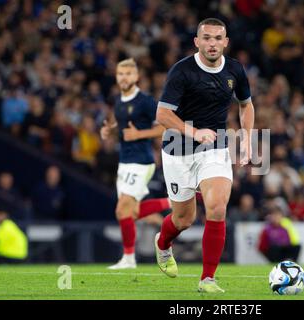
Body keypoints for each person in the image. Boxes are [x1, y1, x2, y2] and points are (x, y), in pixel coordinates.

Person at [154, 18, 255, 293]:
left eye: (217, 38)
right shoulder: (182, 71)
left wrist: (246, 137)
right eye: (207, 38)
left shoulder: (235, 70)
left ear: (226, 42)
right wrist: (194, 132)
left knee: (217, 207)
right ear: (197, 42)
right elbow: (162, 114)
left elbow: (246, 105)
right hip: (178, 150)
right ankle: (163, 244)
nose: (212, 43)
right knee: (183, 219)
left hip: (215, 148)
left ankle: (207, 279)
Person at [100, 58, 171, 270]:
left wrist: (139, 133)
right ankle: (172, 202)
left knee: (123, 209)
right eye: (120, 73)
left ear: (136, 77)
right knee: (127, 212)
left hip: (141, 162)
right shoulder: (119, 100)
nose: (124, 77)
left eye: (128, 74)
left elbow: (166, 127)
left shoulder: (145, 101)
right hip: (125, 162)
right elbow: (119, 124)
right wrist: (109, 130)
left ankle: (129, 259)